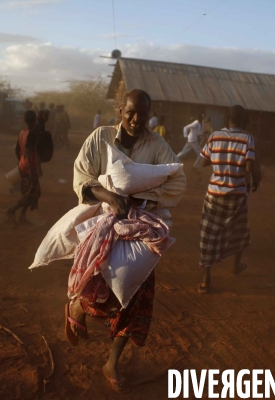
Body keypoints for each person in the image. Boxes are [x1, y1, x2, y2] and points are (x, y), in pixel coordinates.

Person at [67, 89, 186, 393]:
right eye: (130, 112)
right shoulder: (101, 138)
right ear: (120, 110)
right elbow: (81, 176)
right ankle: (78, 308)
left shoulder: (157, 145)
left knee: (136, 295)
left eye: (142, 114)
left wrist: (143, 196)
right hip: (106, 223)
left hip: (139, 228)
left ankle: (112, 362)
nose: (136, 119)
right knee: (98, 288)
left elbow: (178, 180)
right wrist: (109, 195)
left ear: (150, 115)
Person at [197, 105, 260, 294]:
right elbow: (249, 168)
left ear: (227, 119)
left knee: (208, 234)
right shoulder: (247, 139)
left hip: (214, 195)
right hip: (237, 195)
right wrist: (256, 178)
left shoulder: (215, 136)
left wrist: (219, 159)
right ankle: (235, 265)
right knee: (239, 230)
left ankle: (206, 279)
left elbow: (203, 161)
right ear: (245, 120)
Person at [5, 110, 48, 224]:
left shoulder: (22, 133)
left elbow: (16, 150)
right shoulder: (32, 134)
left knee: (29, 192)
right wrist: (33, 169)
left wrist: (21, 161)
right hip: (30, 167)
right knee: (32, 194)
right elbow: (29, 152)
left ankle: (22, 217)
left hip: (23, 166)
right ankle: (11, 210)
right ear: (35, 120)